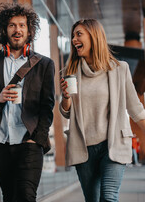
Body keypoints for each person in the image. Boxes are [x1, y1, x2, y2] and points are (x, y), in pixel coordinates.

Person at [0, 2, 55, 202]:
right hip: (0, 144)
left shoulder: (44, 64)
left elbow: (47, 107)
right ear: (4, 29)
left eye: (22, 25)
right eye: (12, 25)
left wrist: (37, 138)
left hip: (29, 143)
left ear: (29, 31)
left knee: (26, 197)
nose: (17, 29)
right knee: (10, 198)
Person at [59, 18, 145, 202]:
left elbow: (136, 110)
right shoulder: (71, 72)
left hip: (113, 144)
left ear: (94, 36)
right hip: (84, 148)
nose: (74, 39)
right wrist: (65, 97)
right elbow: (66, 111)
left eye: (79, 34)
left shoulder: (120, 69)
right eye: (73, 35)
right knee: (93, 199)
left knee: (109, 197)